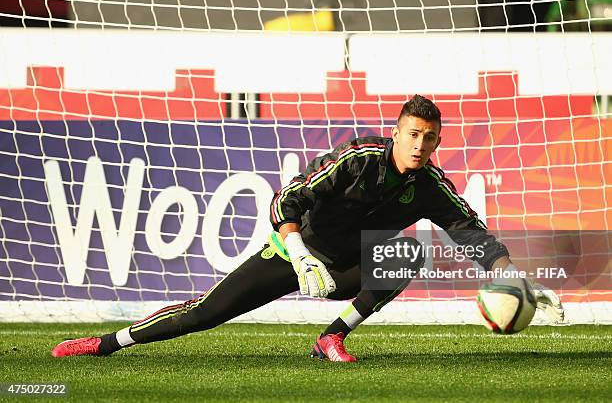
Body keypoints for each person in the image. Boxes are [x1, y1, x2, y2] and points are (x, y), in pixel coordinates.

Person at [51, 95, 564, 362]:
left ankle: (331, 338)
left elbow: (471, 232)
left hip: (346, 267)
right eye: (413, 134)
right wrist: (297, 251)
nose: (420, 145)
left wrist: (513, 277)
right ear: (397, 132)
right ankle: (106, 343)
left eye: (430, 139)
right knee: (205, 315)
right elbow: (288, 197)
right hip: (296, 252)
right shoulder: (357, 158)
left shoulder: (429, 183)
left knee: (409, 254)